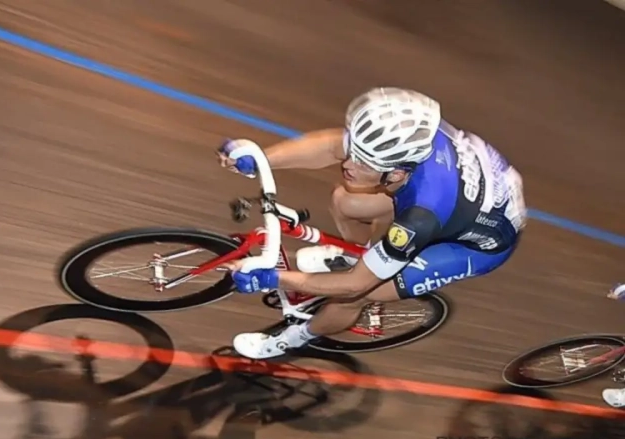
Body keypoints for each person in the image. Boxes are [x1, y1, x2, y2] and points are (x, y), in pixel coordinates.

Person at [217, 87, 527, 360]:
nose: (347, 163)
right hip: (460, 196)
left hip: (475, 243)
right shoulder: (402, 140)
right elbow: (329, 147)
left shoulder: (420, 217)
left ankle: (295, 338)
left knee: (358, 294)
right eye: (354, 152)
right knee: (346, 200)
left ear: (396, 174)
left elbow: (355, 284)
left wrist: (275, 279)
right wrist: (261, 159)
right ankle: (357, 254)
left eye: (363, 162)